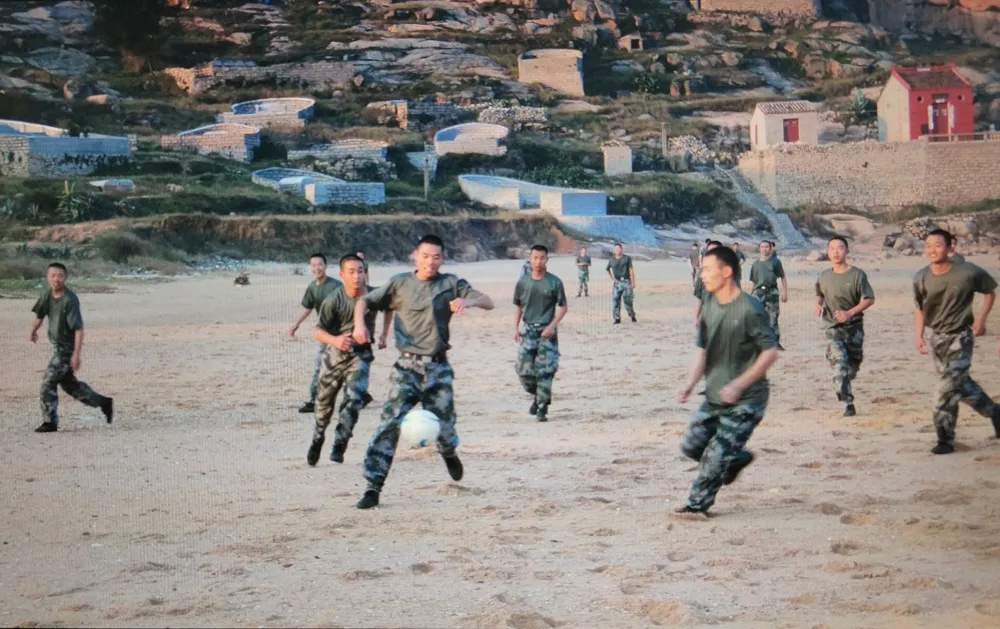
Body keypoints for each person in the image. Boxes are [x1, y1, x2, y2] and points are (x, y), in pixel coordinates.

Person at [351, 234, 495, 509]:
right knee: (389, 424)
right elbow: (363, 301)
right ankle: (373, 486)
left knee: (445, 425)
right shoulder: (399, 283)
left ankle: (448, 451)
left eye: (436, 257)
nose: (430, 262)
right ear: (415, 256)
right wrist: (360, 325)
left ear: (443, 259)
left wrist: (468, 302)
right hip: (406, 368)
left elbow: (488, 301)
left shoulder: (451, 283)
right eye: (425, 256)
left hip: (438, 368)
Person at [675, 246, 780, 516]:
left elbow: (770, 352)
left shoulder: (750, 308)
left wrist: (739, 384)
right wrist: (690, 384)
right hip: (715, 395)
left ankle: (696, 506)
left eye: (707, 269)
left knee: (714, 455)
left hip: (747, 399)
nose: (702, 274)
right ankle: (735, 460)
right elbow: (703, 350)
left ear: (727, 271)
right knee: (692, 445)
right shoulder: (709, 304)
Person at [913, 229, 1000, 454]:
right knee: (959, 385)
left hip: (960, 337)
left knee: (945, 390)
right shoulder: (921, 277)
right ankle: (995, 412)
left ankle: (945, 439)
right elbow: (919, 309)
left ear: (950, 247)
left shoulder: (967, 272)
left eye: (938, 245)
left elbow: (990, 291)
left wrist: (981, 319)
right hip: (937, 338)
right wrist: (919, 335)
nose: (932, 250)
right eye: (928, 245)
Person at [308, 254, 393, 466]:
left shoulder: (373, 295)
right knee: (323, 406)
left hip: (361, 355)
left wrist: (384, 334)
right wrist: (335, 340)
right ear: (342, 275)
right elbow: (317, 332)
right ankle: (318, 437)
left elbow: (390, 306)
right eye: (351, 272)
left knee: (355, 398)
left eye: (360, 271)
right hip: (335, 356)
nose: (357, 276)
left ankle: (341, 441)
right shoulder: (333, 300)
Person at [29, 262, 113, 433]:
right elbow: (40, 314)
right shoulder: (46, 294)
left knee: (48, 382)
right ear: (47, 277)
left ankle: (50, 422)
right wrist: (33, 331)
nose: (56, 279)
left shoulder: (70, 299)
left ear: (65, 277)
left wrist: (76, 354)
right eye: (53, 276)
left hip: (66, 348)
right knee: (70, 385)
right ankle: (103, 402)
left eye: (60, 276)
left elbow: (78, 329)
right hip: (57, 346)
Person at [814, 237, 876, 417]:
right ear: (827, 252)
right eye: (832, 248)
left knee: (852, 366)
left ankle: (845, 379)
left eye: (840, 248)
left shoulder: (857, 275)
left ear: (847, 251)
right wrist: (818, 305)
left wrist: (850, 313)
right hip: (833, 327)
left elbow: (869, 299)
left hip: (854, 328)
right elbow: (820, 294)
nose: (835, 252)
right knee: (839, 365)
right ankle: (847, 402)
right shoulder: (824, 276)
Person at [514, 245, 569, 422]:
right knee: (523, 370)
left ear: (547, 259)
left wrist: (552, 326)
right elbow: (518, 305)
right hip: (528, 329)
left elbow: (563, 307)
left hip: (547, 331)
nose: (538, 261)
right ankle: (537, 395)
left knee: (545, 371)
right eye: (535, 258)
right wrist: (515, 327)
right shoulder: (523, 282)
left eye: (542, 258)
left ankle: (542, 408)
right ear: (530, 259)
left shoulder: (554, 282)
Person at [289, 253, 342, 413]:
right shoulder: (312, 287)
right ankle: (314, 400)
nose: (317, 268)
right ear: (310, 267)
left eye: (320, 264)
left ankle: (358, 395)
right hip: (324, 332)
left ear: (325, 266)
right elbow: (308, 307)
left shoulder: (336, 286)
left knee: (342, 366)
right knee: (319, 366)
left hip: (340, 333)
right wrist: (296, 324)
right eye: (313, 265)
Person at [747, 240, 788, 349]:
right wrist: (750, 295)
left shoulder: (775, 262)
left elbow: (783, 277)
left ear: (770, 248)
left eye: (766, 247)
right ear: (759, 249)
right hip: (758, 292)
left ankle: (775, 342)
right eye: (762, 247)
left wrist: (785, 292)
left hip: (771, 292)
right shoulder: (755, 264)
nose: (764, 249)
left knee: (773, 317)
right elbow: (753, 281)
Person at [606, 243, 636, 324]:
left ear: (622, 249)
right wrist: (612, 278)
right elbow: (607, 269)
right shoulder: (611, 259)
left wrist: (633, 282)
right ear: (614, 250)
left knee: (628, 301)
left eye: (619, 248)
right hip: (617, 283)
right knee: (615, 300)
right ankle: (617, 319)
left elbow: (631, 270)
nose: (617, 250)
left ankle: (632, 315)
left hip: (626, 281)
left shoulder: (627, 258)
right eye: (616, 249)